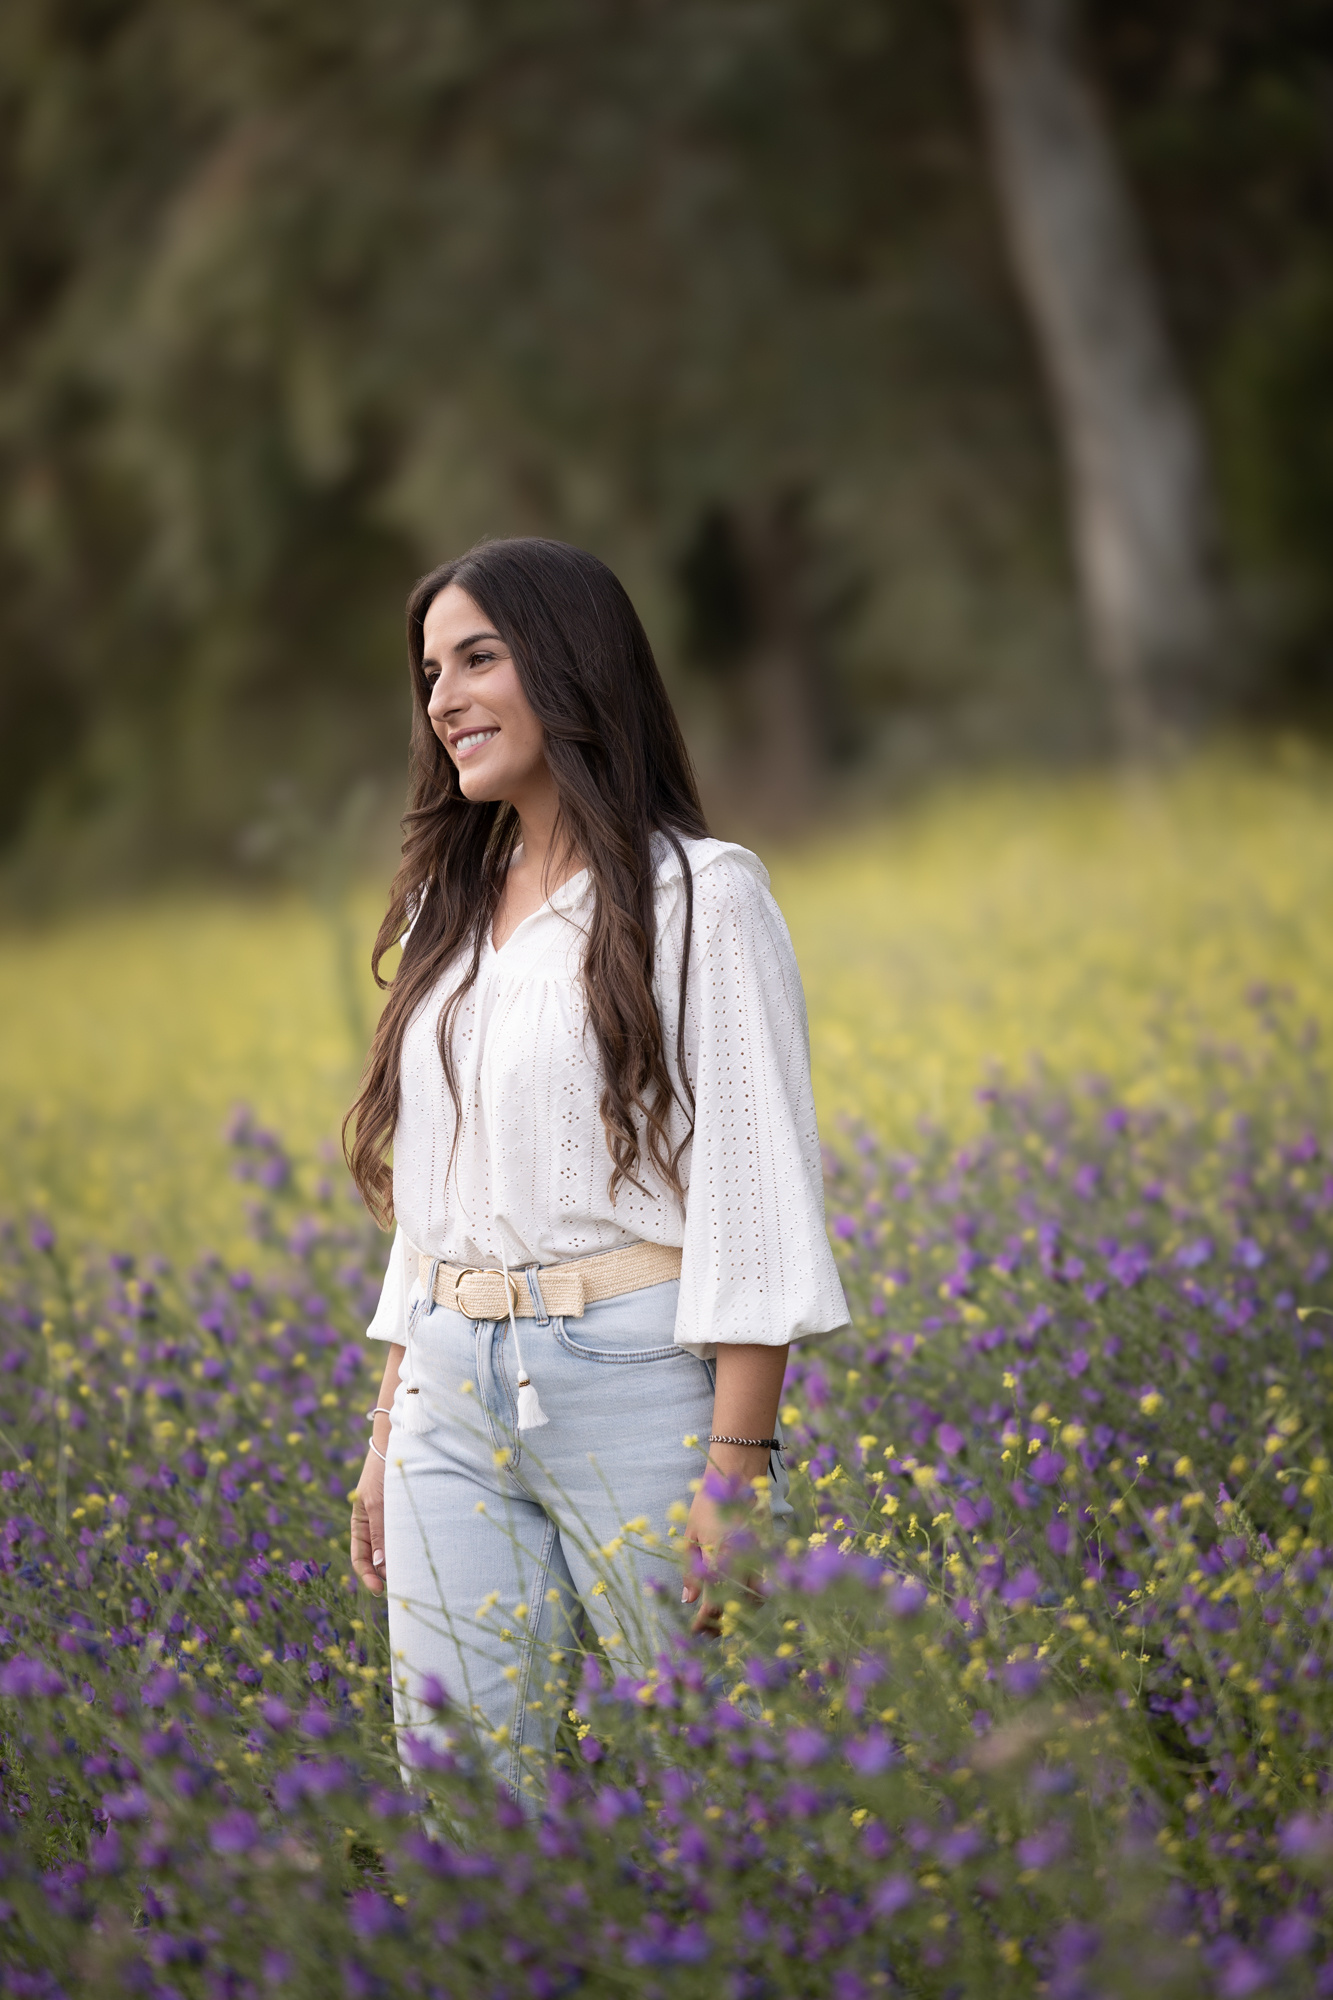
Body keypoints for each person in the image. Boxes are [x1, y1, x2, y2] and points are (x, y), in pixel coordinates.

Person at [345, 538, 849, 1799]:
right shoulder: (444, 912)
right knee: (463, 1797)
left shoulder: (702, 896)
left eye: (477, 658)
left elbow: (754, 1195)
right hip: (447, 1398)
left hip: (634, 1378)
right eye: (428, 672)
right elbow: (439, 1190)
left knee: (705, 1786)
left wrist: (736, 1472)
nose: (443, 697)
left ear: (570, 667)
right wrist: (386, 1423)